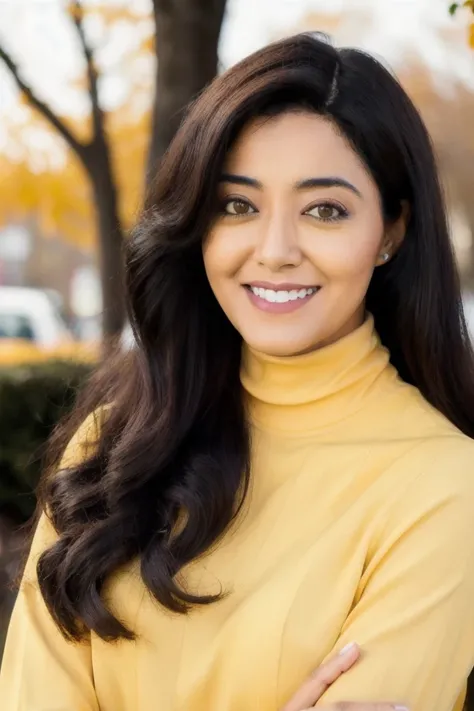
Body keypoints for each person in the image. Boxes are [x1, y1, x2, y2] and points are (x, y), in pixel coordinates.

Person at [1, 32, 474, 711]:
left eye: (325, 210)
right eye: (237, 205)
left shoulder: (446, 489)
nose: (275, 250)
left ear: (392, 231)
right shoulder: (115, 446)